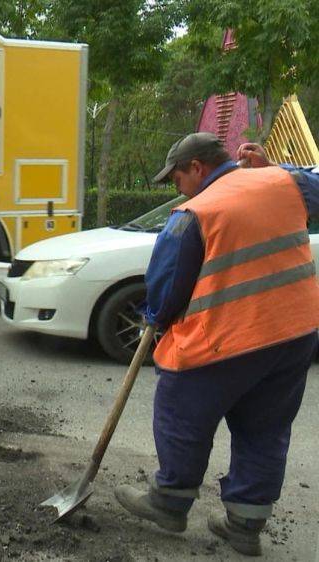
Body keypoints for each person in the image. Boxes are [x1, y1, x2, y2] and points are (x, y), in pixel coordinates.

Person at [113, 132, 319, 557]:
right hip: (296, 333)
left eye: (176, 178)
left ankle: (169, 502)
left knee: (180, 406)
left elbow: (166, 288)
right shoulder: (283, 181)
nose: (176, 188)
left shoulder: (194, 212)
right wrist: (273, 167)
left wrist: (157, 320)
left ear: (197, 168)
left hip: (229, 338)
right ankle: (245, 524)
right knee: (266, 426)